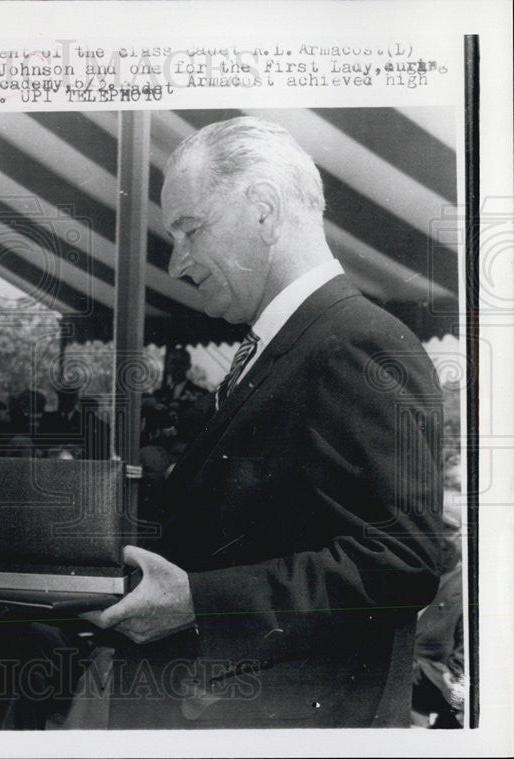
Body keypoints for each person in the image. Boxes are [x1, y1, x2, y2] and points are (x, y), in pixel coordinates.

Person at [82, 117, 445, 728]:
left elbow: (401, 560)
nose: (176, 264)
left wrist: (200, 603)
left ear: (264, 211)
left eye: (189, 230)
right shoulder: (294, 345)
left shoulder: (359, 344)